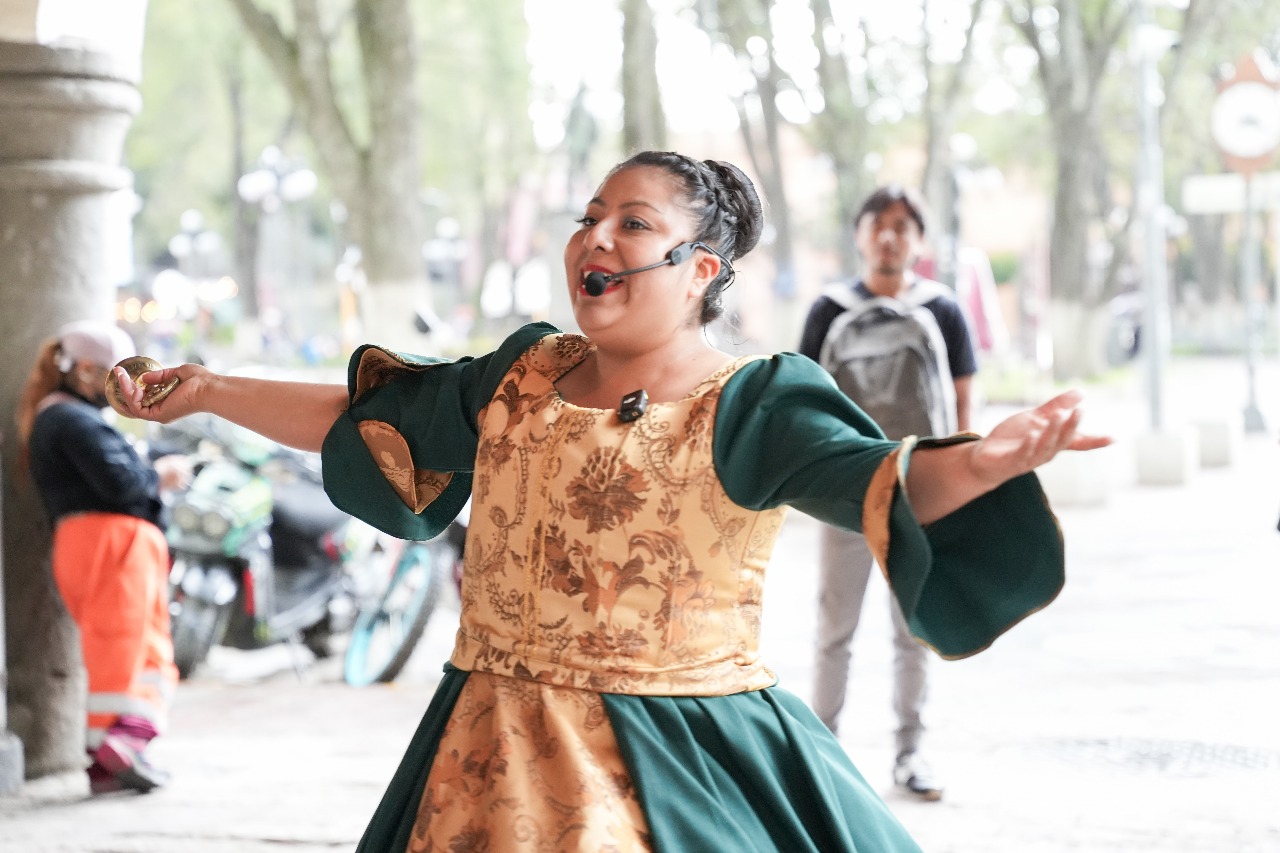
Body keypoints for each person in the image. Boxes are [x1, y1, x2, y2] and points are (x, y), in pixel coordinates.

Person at [113, 150, 1108, 851]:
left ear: (700, 270)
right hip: (482, 749)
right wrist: (209, 391)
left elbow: (877, 477)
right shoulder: (520, 375)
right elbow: (370, 417)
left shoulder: (753, 401)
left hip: (678, 755)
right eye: (589, 216)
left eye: (633, 223)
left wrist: (981, 462)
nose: (595, 235)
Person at [797, 183, 976, 801]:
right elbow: (805, 400)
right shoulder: (829, 309)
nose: (889, 236)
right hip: (845, 490)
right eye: (878, 224)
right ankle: (824, 753)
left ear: (919, 240)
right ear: (860, 235)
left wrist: (962, 479)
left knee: (913, 629)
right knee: (835, 628)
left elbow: (963, 400)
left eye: (903, 225)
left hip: (919, 491)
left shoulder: (942, 309)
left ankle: (911, 752)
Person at [15, 320, 189, 795]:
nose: (125, 386)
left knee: (132, 648)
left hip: (98, 544)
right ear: (86, 370)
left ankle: (113, 761)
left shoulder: (65, 417)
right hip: (112, 543)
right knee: (124, 650)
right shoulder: (70, 420)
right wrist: (159, 476)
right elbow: (122, 483)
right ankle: (119, 746)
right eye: (118, 374)